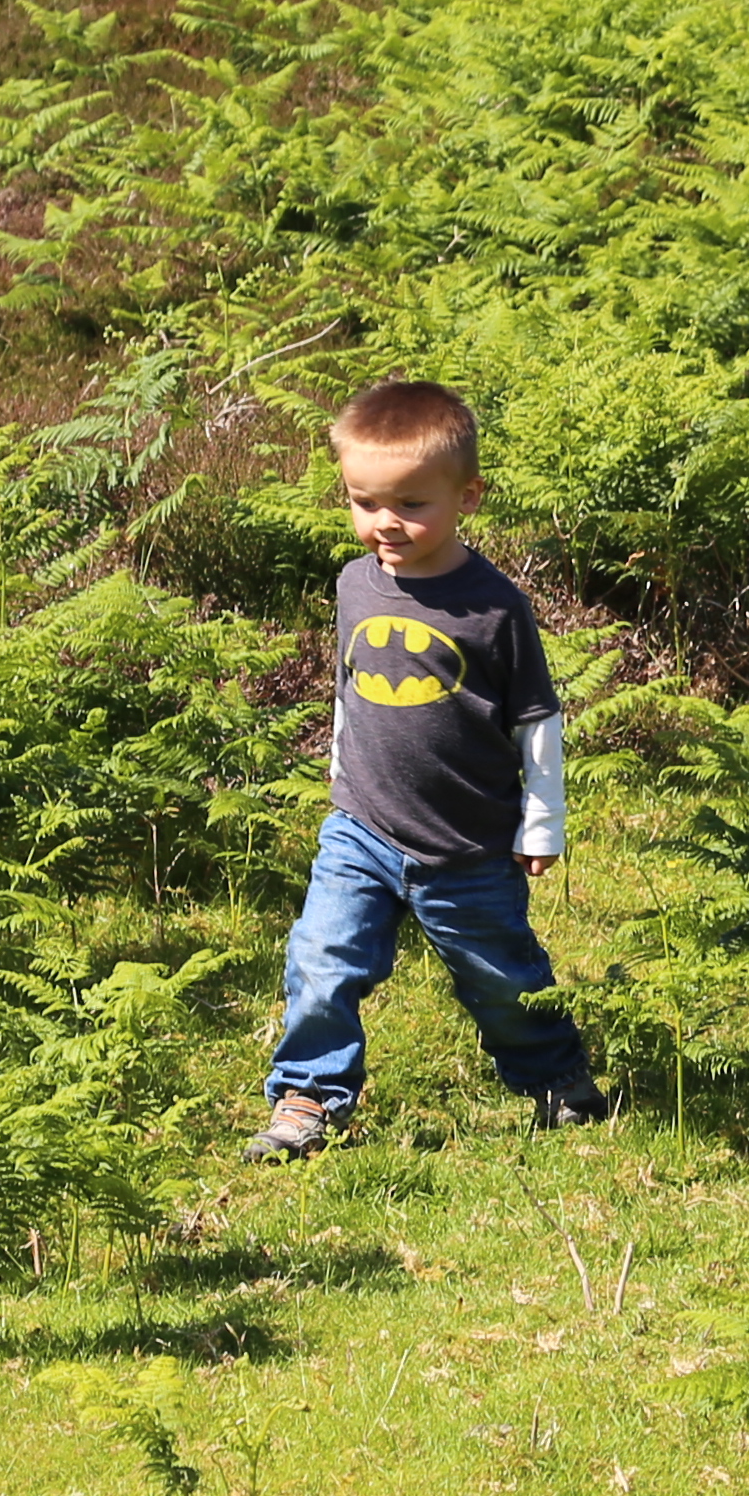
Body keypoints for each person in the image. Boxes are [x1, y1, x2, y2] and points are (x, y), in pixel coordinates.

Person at [251, 378, 609, 1158]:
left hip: (468, 845)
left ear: (467, 495)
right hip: (361, 829)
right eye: (364, 501)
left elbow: (536, 721)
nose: (386, 523)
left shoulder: (494, 607)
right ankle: (307, 1097)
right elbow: (352, 682)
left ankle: (558, 1081)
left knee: (503, 979)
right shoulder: (353, 582)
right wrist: (340, 767)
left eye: (412, 503)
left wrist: (540, 822)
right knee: (321, 958)